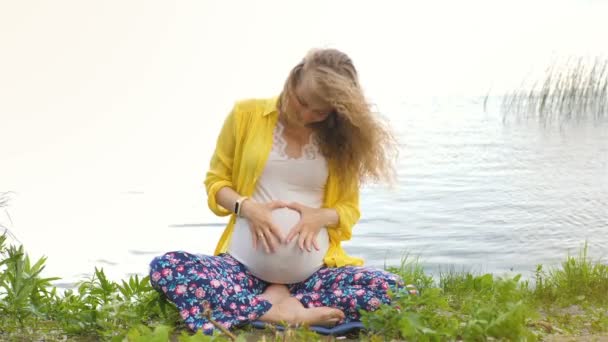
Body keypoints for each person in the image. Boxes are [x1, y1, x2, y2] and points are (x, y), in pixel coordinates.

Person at [149, 48, 417, 335]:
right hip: (242, 271)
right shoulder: (245, 115)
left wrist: (319, 217)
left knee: (396, 290)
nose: (305, 114)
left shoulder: (340, 141)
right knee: (167, 266)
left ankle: (270, 305)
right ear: (292, 80)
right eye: (301, 101)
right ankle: (281, 310)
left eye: (319, 111)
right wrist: (248, 207)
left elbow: (349, 210)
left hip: (313, 276)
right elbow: (216, 184)